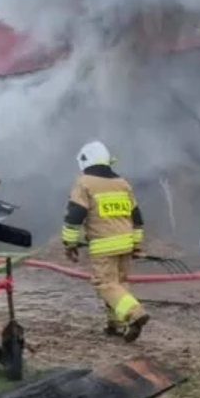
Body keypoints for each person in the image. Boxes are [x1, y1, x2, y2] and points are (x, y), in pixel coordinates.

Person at [62, 141, 150, 342]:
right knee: (119, 285)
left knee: (105, 284)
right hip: (126, 243)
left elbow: (74, 216)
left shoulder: (84, 183)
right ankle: (116, 325)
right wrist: (136, 246)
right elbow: (137, 218)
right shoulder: (122, 183)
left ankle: (135, 313)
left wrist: (69, 244)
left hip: (104, 245)